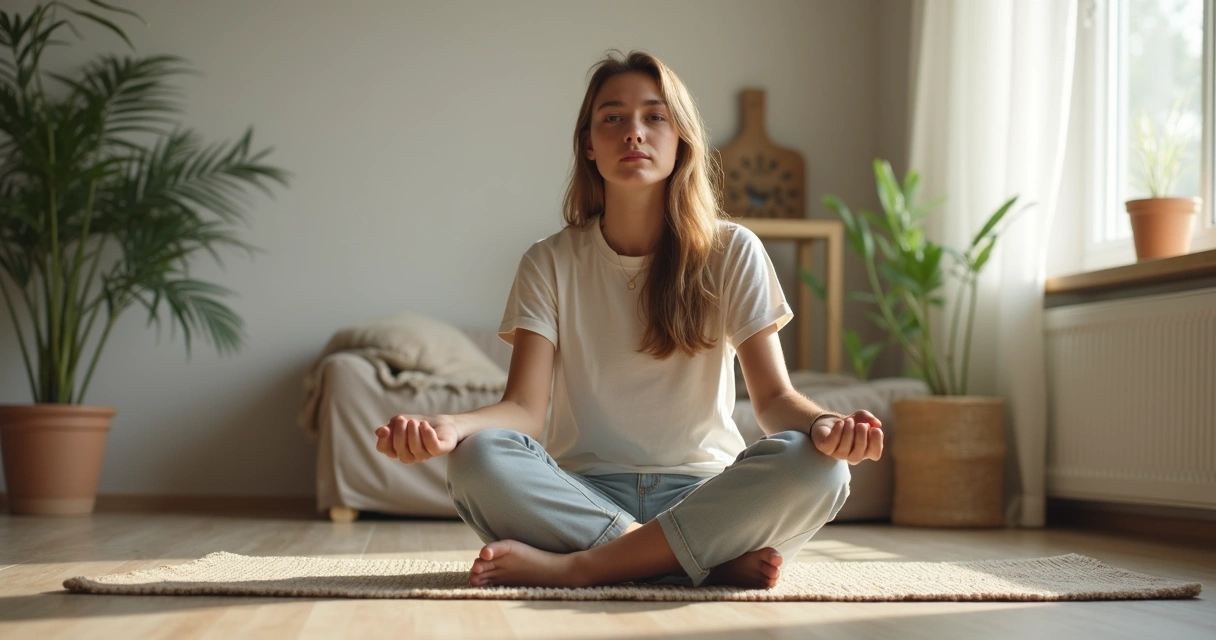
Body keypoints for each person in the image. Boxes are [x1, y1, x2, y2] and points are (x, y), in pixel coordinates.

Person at [374, 50, 883, 590]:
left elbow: (774, 401)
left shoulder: (734, 250)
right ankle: (694, 561)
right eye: (612, 117)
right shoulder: (549, 260)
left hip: (708, 494)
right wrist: (452, 429)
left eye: (654, 116)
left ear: (682, 138)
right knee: (478, 460)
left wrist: (824, 425)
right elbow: (523, 411)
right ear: (589, 146)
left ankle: (582, 568)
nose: (633, 132)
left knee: (820, 467)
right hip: (585, 497)